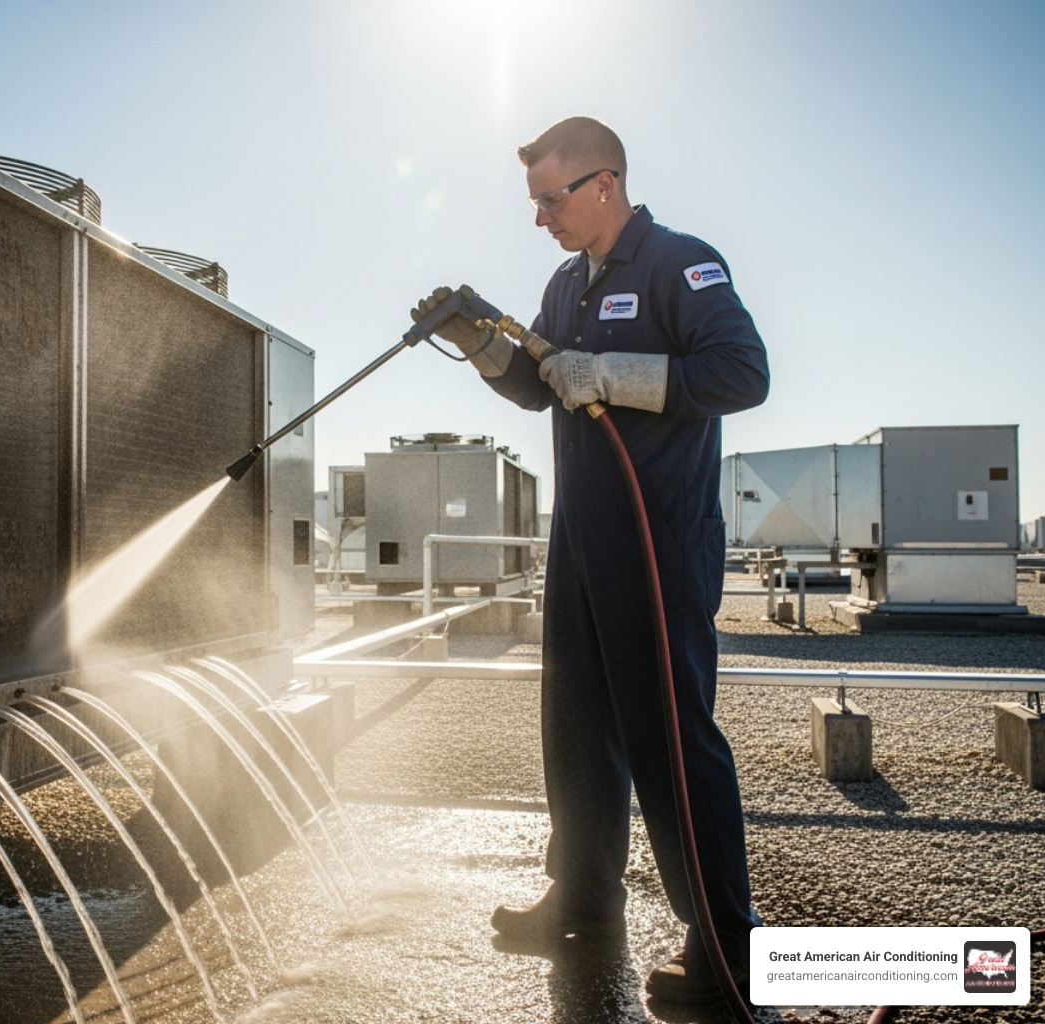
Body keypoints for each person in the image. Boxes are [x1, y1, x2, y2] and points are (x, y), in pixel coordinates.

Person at [412, 116, 770, 1004]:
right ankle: (584, 900)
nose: (540, 217)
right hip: (581, 538)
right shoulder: (567, 281)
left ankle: (728, 945)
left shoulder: (680, 263)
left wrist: (613, 374)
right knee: (574, 728)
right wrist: (480, 342)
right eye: (533, 201)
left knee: (670, 739)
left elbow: (742, 374)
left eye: (550, 199)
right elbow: (541, 381)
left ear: (603, 183)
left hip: (657, 538)